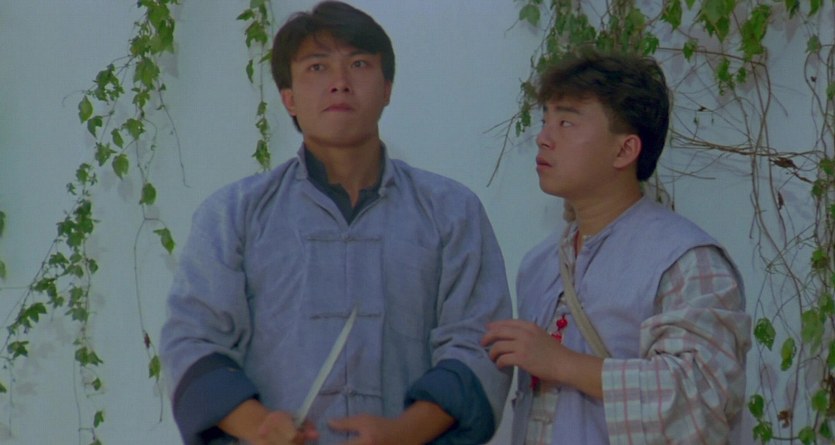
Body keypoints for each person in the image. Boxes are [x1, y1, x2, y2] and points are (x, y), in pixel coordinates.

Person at [159, 2, 512, 444]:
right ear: (289, 97)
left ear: (387, 88)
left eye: (359, 64)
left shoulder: (452, 211)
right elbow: (194, 339)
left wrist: (402, 434)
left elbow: (477, 342)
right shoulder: (233, 214)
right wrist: (260, 428)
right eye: (317, 67)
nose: (340, 82)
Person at [482, 51, 751, 444]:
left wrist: (562, 363)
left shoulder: (687, 261)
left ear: (625, 150)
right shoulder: (539, 264)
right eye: (545, 121)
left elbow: (700, 403)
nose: (543, 137)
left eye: (566, 122)